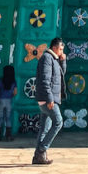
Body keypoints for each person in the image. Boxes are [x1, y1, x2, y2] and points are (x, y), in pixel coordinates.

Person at [33, 37, 66, 165]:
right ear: (54, 48)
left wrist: (63, 61)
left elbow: (60, 76)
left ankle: (38, 157)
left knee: (44, 128)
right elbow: (45, 80)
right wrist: (50, 98)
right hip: (47, 99)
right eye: (60, 49)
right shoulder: (47, 58)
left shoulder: (54, 59)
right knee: (58, 122)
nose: (61, 51)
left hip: (47, 98)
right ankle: (42, 149)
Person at [0, 64, 17, 141]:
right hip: (9, 101)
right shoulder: (14, 82)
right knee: (8, 118)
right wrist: (10, 95)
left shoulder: (1, 81)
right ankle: (8, 136)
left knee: (0, 118)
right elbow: (15, 92)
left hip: (1, 100)